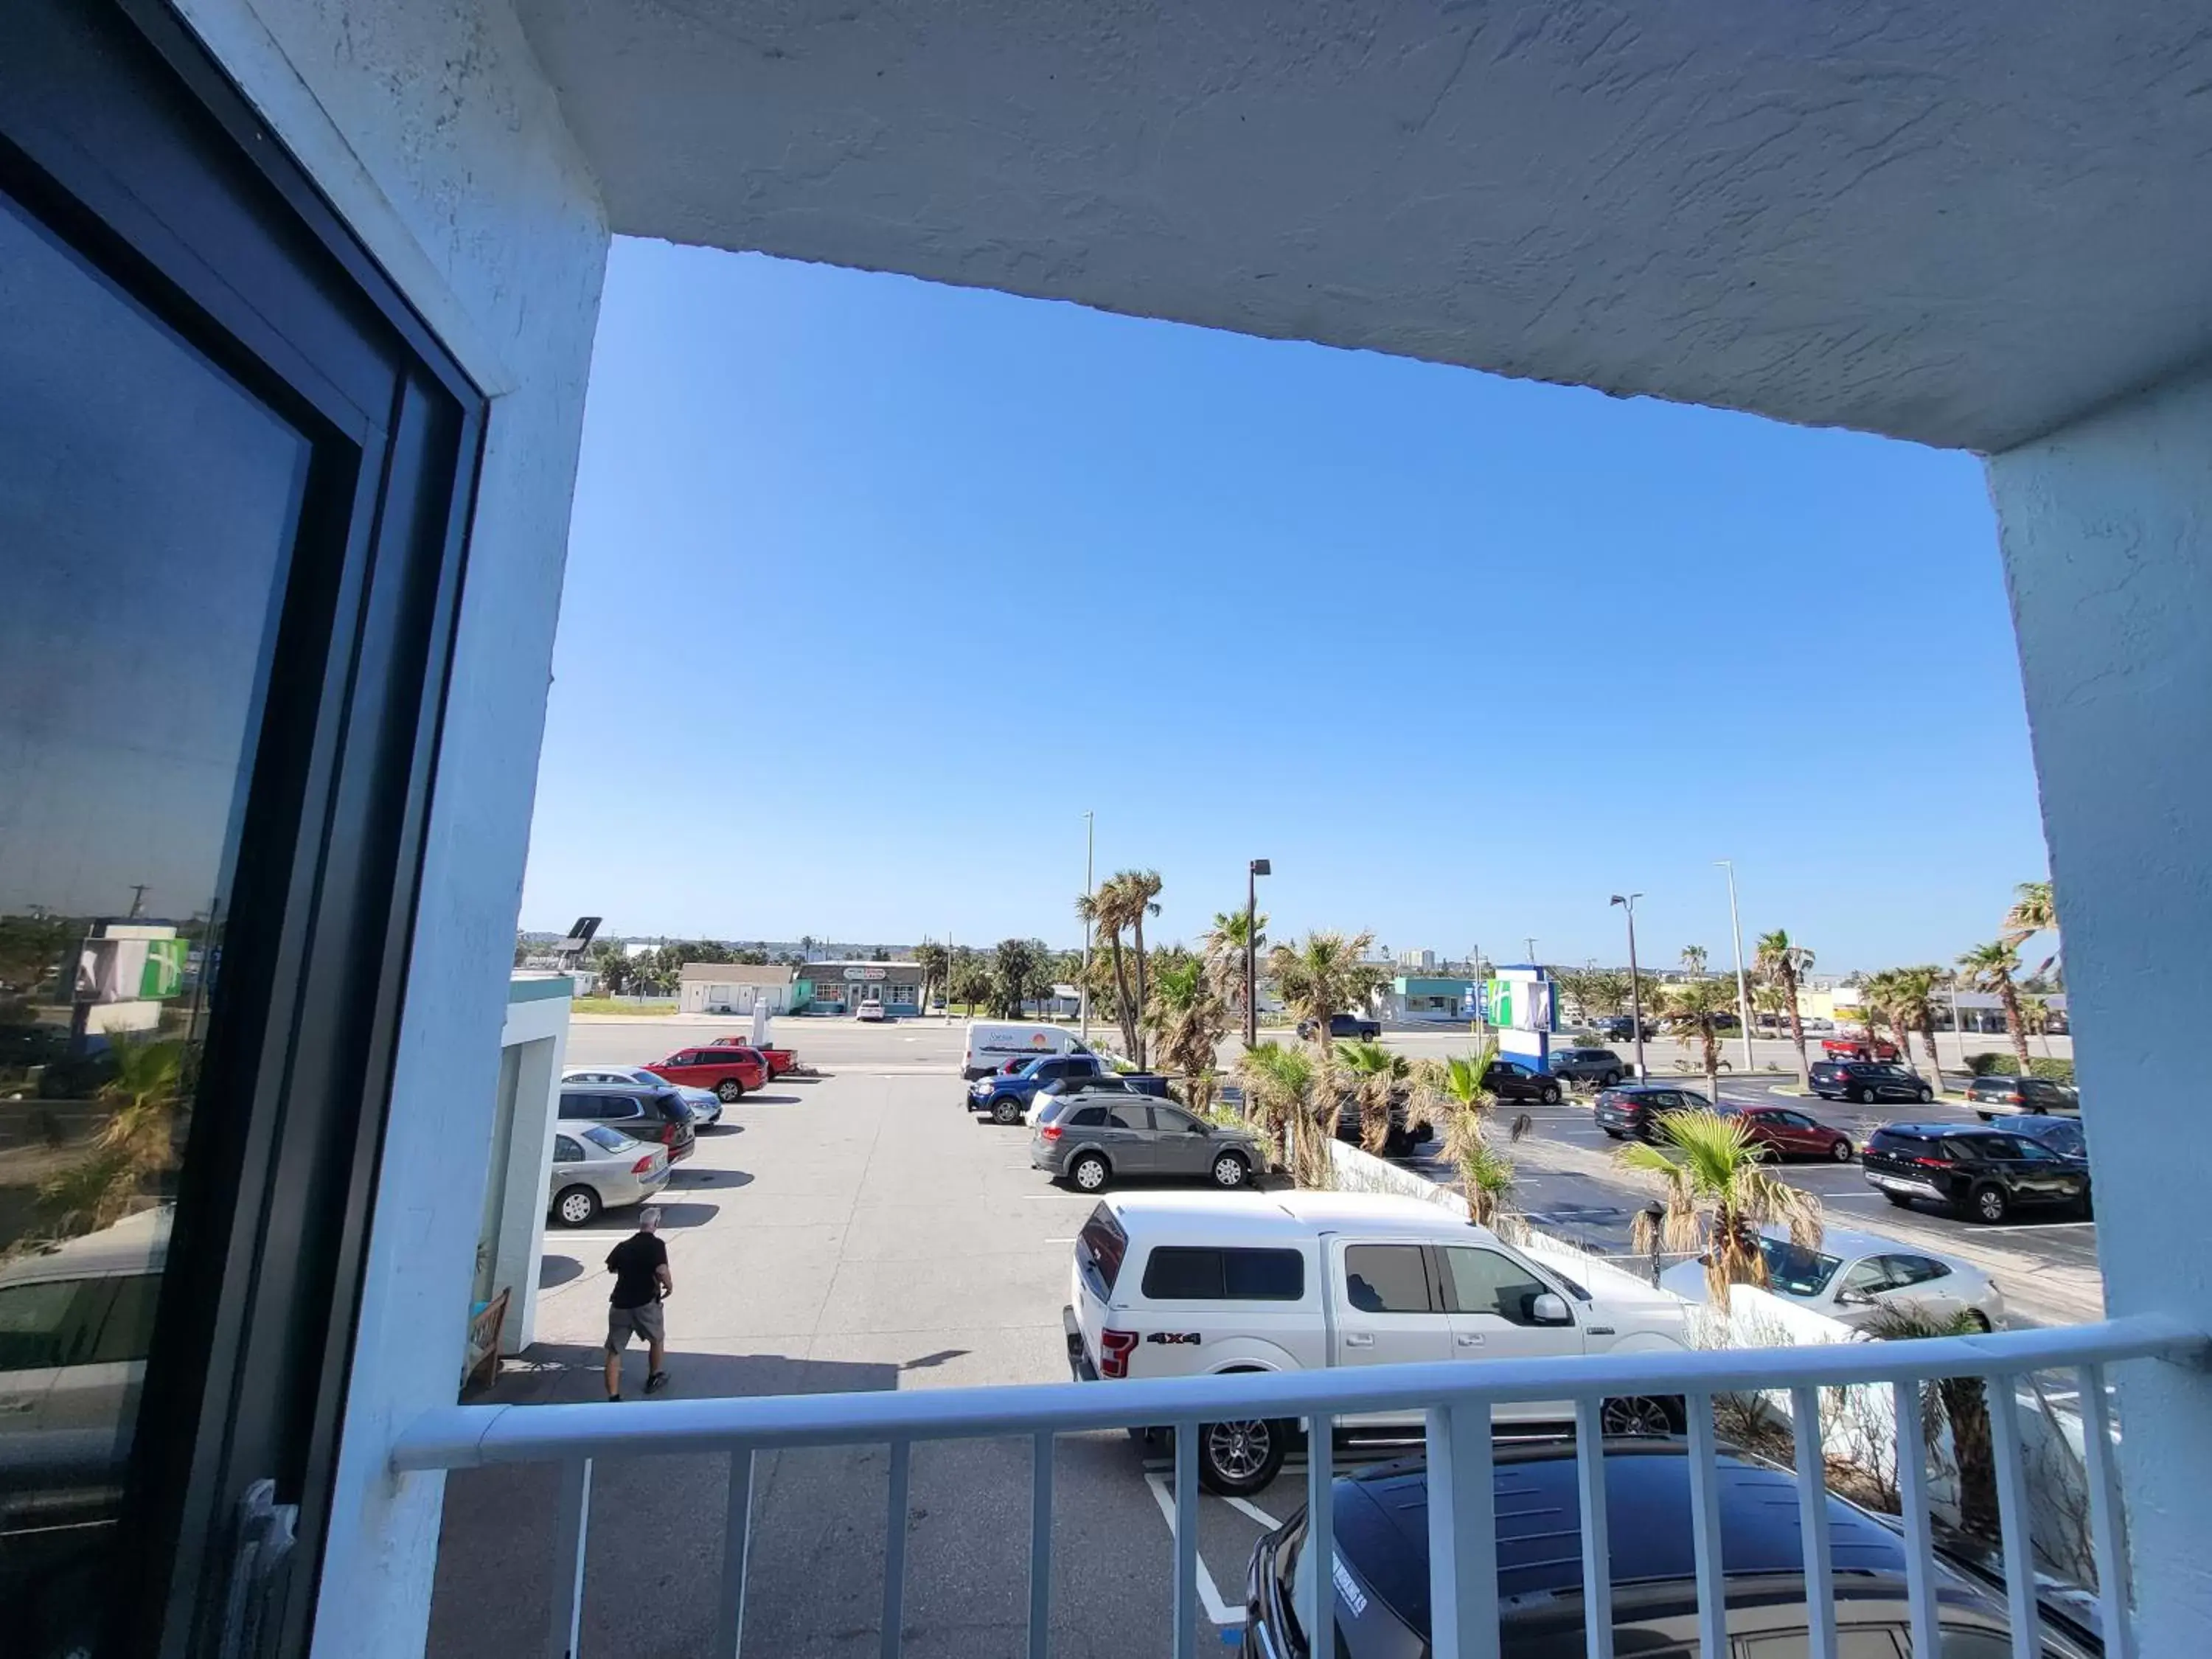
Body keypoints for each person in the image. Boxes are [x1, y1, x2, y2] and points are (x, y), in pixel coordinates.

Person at [602, 1206, 672, 1401]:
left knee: (614, 1350)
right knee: (657, 1338)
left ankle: (613, 1397)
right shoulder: (656, 1245)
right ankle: (654, 1376)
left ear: (640, 1225)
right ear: (656, 1224)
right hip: (645, 1303)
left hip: (619, 1304)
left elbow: (611, 1268)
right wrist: (669, 1286)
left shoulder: (623, 1246)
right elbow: (661, 1269)